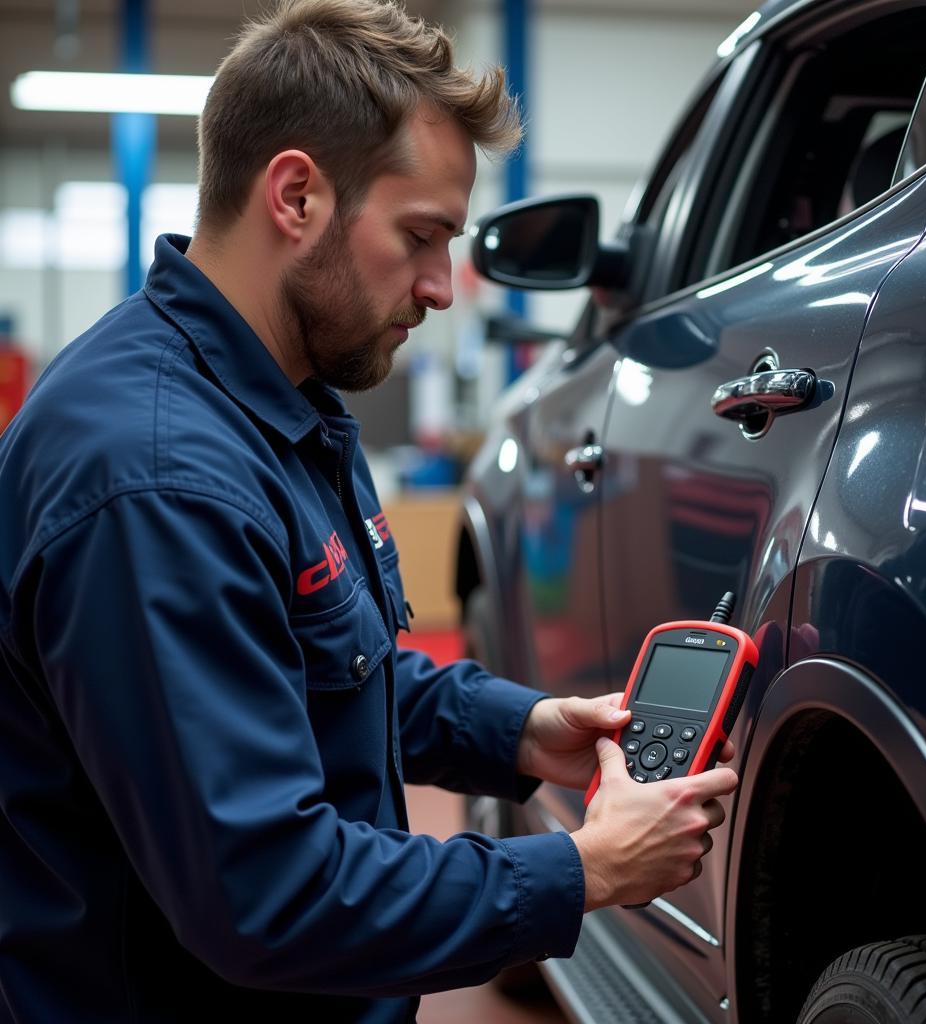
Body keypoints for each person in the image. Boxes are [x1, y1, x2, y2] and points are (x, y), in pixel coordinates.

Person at [0, 1, 739, 1020]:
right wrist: (583, 871)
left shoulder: (279, 408)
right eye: (421, 236)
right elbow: (269, 897)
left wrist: (520, 730)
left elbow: (316, 676)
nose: (442, 286)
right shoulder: (158, 480)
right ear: (295, 196)